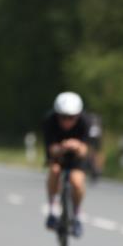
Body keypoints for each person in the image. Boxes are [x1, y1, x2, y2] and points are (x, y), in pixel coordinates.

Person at [42, 91, 89, 237]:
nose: (67, 121)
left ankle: (77, 215)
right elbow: (51, 149)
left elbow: (86, 150)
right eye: (63, 117)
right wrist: (62, 147)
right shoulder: (50, 121)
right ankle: (52, 210)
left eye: (71, 117)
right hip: (58, 155)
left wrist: (77, 146)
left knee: (77, 181)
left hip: (76, 157)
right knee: (55, 171)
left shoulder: (85, 122)